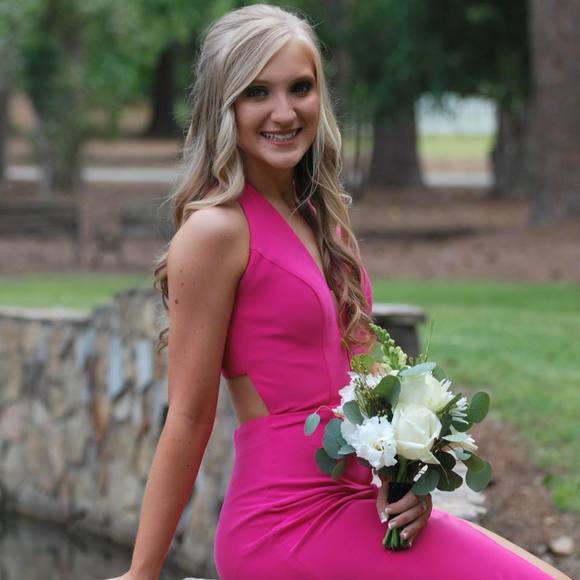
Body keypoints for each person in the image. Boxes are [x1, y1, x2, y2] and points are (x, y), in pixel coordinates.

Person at [107, 5, 569, 580]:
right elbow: (189, 415)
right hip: (284, 524)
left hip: (357, 504)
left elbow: (369, 380)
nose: (284, 112)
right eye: (257, 92)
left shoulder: (323, 221)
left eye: (300, 88)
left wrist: (408, 484)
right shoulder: (215, 232)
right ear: (224, 107)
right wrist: (143, 570)